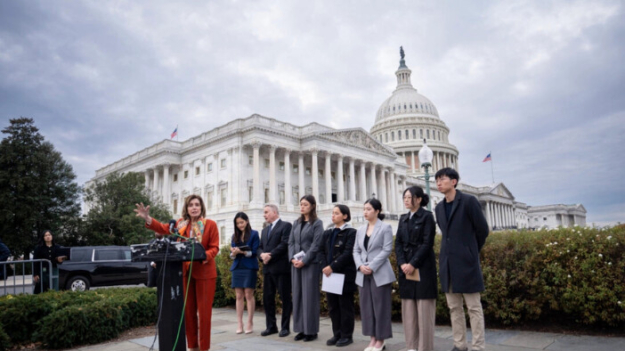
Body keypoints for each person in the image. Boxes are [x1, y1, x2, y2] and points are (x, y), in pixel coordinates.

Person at [135, 195, 219, 351]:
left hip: (205, 274)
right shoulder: (180, 224)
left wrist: (203, 256)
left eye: (197, 205)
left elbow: (215, 248)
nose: (194, 207)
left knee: (204, 316)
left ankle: (204, 348)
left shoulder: (210, 225)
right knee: (188, 313)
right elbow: (162, 228)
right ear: (186, 208)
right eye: (191, 205)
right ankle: (193, 346)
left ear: (201, 208)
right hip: (185, 273)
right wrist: (147, 218)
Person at [434, 168, 489, 351]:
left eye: (442, 179)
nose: (439, 183)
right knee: (454, 308)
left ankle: (478, 346)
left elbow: (482, 230)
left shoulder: (469, 202)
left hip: (467, 264)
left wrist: (470, 251)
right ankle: (459, 345)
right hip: (448, 265)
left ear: (454, 181)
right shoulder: (439, 208)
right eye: (436, 180)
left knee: (474, 308)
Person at [395, 186, 437, 351]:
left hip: (422, 268)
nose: (405, 200)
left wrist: (413, 263)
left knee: (424, 310)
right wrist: (402, 263)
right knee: (409, 311)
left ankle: (424, 347)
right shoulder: (403, 218)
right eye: (404, 197)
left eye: (408, 197)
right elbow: (398, 242)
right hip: (406, 268)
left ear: (418, 199)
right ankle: (411, 346)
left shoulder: (427, 217)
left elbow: (427, 244)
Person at [353, 198, 395, 351]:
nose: (365, 212)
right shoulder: (360, 230)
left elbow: (386, 250)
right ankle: (372, 339)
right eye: (364, 209)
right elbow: (356, 250)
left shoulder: (385, 228)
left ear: (377, 211)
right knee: (367, 308)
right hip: (363, 274)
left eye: (369, 209)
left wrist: (371, 266)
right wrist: (360, 266)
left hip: (380, 273)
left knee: (381, 308)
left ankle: (381, 340)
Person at [288, 195, 324, 342]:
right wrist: (292, 258)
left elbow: (316, 245)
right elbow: (290, 242)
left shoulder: (317, 223)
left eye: (305, 205)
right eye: (301, 204)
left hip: (310, 264)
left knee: (309, 297)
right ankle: (300, 329)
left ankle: (311, 330)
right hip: (296, 264)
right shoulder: (296, 223)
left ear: (313, 206)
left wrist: (305, 260)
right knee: (297, 296)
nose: (302, 207)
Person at [320, 204, 357, 347]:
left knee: (345, 306)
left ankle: (347, 335)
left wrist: (332, 266)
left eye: (336, 213)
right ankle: (337, 333)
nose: (333, 215)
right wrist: (324, 266)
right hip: (329, 275)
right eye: (332, 213)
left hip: (344, 275)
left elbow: (348, 253)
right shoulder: (328, 233)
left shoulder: (351, 232)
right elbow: (321, 251)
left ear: (345, 216)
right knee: (333, 306)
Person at [258, 204, 293, 338]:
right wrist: (262, 255)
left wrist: (270, 255)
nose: (264, 214)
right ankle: (271, 326)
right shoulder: (265, 230)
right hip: (267, 269)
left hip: (281, 269)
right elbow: (260, 247)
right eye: (264, 212)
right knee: (268, 299)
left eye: (266, 212)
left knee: (285, 298)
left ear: (274, 212)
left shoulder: (286, 226)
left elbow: (284, 244)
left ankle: (285, 327)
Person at [229, 212, 260, 334]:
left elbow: (254, 252)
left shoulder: (254, 234)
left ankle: (249, 322)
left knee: (248, 294)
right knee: (239, 295)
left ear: (247, 221)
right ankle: (239, 323)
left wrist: (241, 252)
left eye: (242, 222)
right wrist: (234, 253)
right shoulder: (234, 236)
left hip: (249, 267)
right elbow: (231, 255)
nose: (240, 225)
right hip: (237, 267)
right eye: (237, 223)